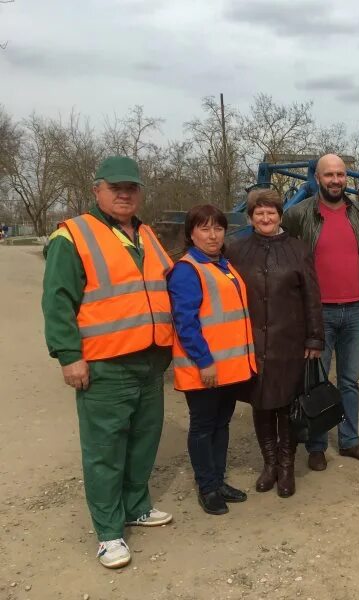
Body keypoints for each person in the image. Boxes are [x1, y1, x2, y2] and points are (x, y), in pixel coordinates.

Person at [42, 156, 173, 569]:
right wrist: (69, 356)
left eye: (131, 187)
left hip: (151, 360)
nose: (124, 194)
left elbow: (167, 285)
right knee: (105, 449)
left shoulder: (147, 234)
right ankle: (109, 533)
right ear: (97, 190)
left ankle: (136, 505)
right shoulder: (73, 236)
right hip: (106, 364)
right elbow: (58, 301)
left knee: (143, 440)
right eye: (115, 187)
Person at [282, 154, 359, 469]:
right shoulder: (298, 214)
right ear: (317, 178)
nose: (335, 180)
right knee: (316, 383)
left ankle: (350, 441)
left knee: (349, 381)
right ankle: (317, 445)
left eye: (340, 174)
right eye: (329, 175)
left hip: (355, 311)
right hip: (318, 313)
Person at [228, 188, 325, 496]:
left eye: (271, 212)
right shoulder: (237, 250)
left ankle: (286, 466)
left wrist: (314, 337)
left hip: (290, 341)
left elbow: (312, 295)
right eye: (259, 213)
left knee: (286, 405)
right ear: (251, 217)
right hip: (253, 342)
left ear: (280, 216)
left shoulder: (298, 249)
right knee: (261, 404)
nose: (266, 218)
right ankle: (269, 464)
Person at [167, 204, 255, 515]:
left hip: (228, 368)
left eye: (217, 228)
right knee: (204, 427)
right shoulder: (187, 270)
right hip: (205, 368)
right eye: (204, 228)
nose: (212, 234)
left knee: (221, 424)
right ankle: (207, 487)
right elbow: (185, 323)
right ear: (191, 234)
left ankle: (218, 480)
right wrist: (204, 361)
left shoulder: (223, 266)